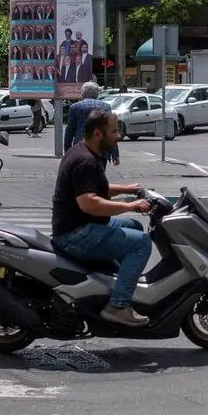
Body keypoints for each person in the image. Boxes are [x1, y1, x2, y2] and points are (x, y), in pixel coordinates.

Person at [50, 109, 153, 327]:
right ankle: (118, 306)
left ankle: (114, 283)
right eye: (114, 131)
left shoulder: (83, 150)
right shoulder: (85, 161)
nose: (118, 136)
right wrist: (130, 206)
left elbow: (97, 188)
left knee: (134, 226)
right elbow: (90, 203)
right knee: (142, 243)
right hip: (76, 234)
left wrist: (128, 189)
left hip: (80, 225)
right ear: (98, 133)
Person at [64, 81, 119, 165]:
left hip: (81, 148)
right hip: (101, 148)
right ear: (97, 94)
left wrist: (67, 152)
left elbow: (69, 131)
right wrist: (115, 154)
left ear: (83, 93)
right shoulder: (106, 107)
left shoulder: (75, 107)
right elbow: (110, 130)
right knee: (98, 172)